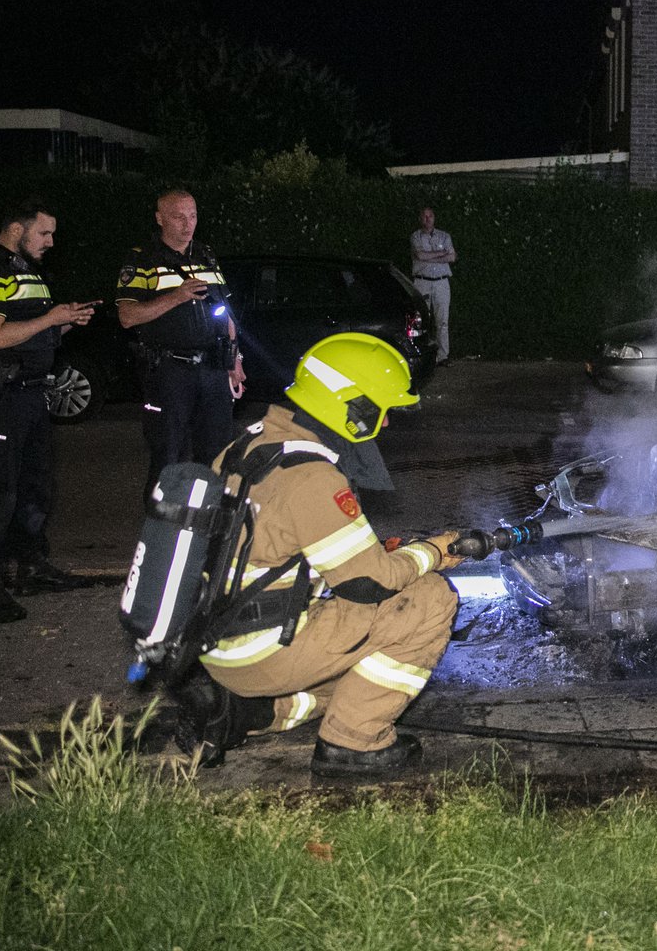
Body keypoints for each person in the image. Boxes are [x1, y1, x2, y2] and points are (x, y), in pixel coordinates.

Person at [178, 333, 459, 777]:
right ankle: (354, 744)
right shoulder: (312, 477)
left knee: (360, 679)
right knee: (428, 599)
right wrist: (434, 552)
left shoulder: (246, 447)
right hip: (263, 650)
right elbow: (369, 585)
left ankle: (248, 714)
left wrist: (371, 554)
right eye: (380, 411)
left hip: (216, 643)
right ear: (352, 406)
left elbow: (275, 546)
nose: (384, 425)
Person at [0, 200, 96, 622]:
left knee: (35, 488)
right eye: (44, 233)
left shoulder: (28, 270)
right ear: (17, 229)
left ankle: (31, 568)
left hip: (32, 395)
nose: (51, 242)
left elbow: (26, 331)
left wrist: (66, 320)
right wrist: (50, 317)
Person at [116, 189, 246, 503]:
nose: (187, 224)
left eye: (192, 215)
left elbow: (224, 311)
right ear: (160, 218)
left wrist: (235, 360)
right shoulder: (142, 259)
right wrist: (177, 296)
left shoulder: (205, 254)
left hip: (213, 368)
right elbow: (127, 317)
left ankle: (205, 528)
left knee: (216, 455)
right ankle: (162, 532)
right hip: (170, 371)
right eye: (178, 216)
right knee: (168, 456)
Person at [410, 207, 456, 364]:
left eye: (430, 216)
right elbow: (419, 255)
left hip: (441, 282)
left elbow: (452, 257)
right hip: (422, 281)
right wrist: (441, 254)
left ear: (434, 218)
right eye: (424, 216)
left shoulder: (444, 236)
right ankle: (420, 354)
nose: (427, 219)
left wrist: (429, 257)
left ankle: (443, 356)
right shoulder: (415, 237)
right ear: (420, 219)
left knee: (442, 320)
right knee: (420, 320)